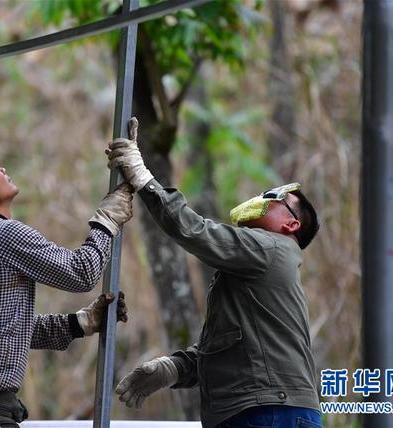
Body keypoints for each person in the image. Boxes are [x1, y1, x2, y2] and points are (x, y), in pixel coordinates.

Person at [108, 119, 323, 428]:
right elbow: (234, 348)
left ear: (291, 225)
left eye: (273, 198)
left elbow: (195, 231)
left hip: (268, 412)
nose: (262, 199)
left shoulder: (270, 248)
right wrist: (176, 368)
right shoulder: (255, 266)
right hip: (267, 409)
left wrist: (145, 180)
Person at [0, 146, 133, 427]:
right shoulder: (2, 234)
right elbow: (82, 273)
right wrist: (106, 222)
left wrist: (79, 323)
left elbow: (0, 330)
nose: (2, 169)